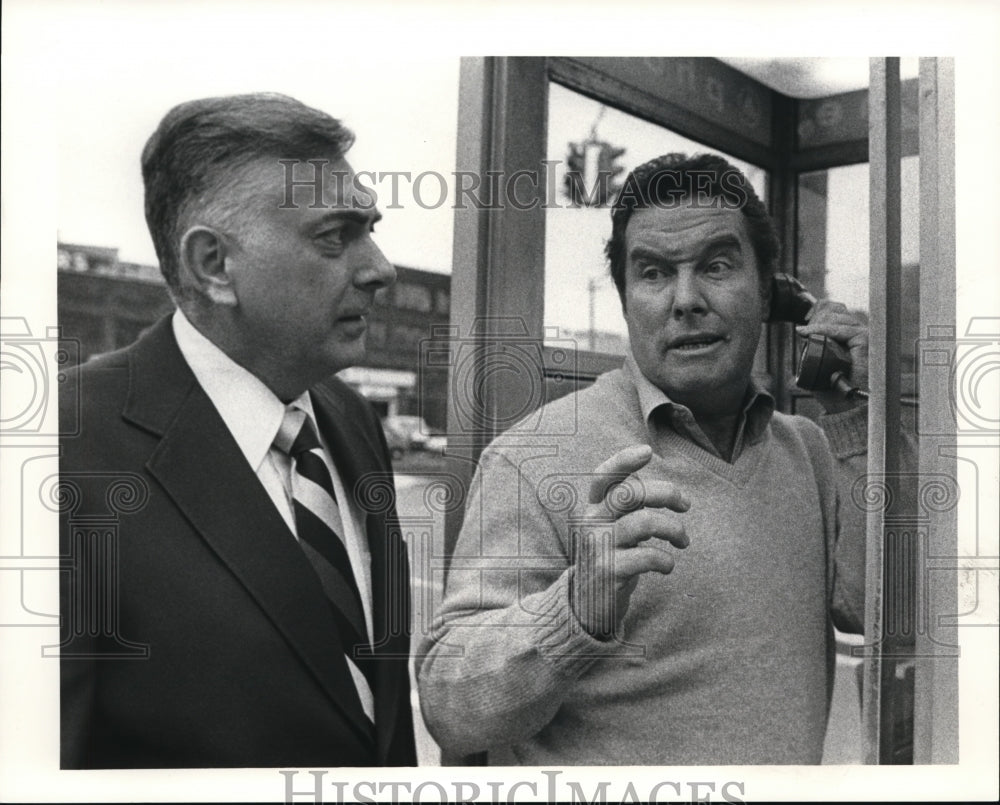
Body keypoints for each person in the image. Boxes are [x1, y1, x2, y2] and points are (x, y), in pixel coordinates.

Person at [417, 152, 872, 765]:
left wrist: (859, 419)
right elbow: (451, 709)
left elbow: (886, 611)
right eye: (654, 274)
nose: (686, 300)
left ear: (768, 290)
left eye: (716, 265)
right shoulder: (534, 456)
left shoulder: (811, 450)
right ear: (628, 298)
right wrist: (577, 610)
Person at [58, 93, 416, 768]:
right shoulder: (64, 451)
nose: (380, 269)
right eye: (335, 236)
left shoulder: (351, 419)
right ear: (213, 266)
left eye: (370, 227)